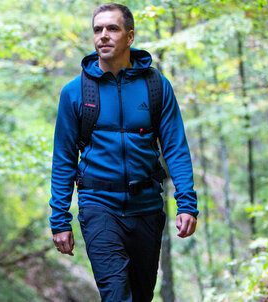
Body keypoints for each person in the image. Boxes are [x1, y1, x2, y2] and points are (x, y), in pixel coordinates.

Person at [48, 3, 198, 301]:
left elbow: (175, 148)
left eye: (112, 29)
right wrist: (60, 219)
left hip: (146, 208)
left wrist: (187, 203)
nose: (103, 35)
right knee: (116, 294)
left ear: (129, 37)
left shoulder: (156, 86)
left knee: (141, 295)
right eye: (98, 29)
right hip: (98, 206)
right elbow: (64, 160)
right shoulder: (75, 92)